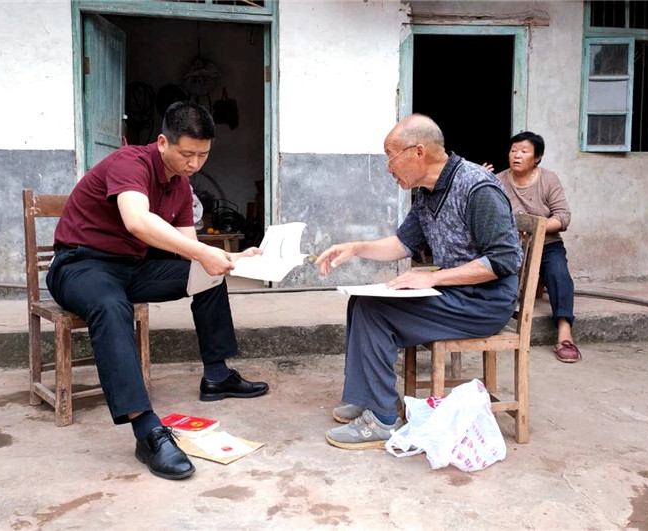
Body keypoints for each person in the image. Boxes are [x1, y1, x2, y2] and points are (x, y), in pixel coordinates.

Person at [46, 101, 269, 480]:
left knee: (207, 276)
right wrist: (203, 251)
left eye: (203, 155)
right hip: (80, 266)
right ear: (163, 142)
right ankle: (147, 430)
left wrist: (233, 260)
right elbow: (136, 221)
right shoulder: (129, 162)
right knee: (109, 303)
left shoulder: (181, 185)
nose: (195, 164)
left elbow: (187, 248)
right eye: (188, 154)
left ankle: (216, 375)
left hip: (132, 269)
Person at [315, 114, 523, 450]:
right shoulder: (427, 193)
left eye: (391, 157)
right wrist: (356, 248)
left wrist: (433, 277)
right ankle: (370, 396)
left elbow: (502, 261)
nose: (388, 168)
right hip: (455, 293)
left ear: (418, 152)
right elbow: (402, 244)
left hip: (485, 301)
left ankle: (382, 418)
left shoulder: (477, 187)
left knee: (374, 311)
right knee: (361, 302)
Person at [483, 131, 581, 363]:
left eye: (524, 151)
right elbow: (483, 213)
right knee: (486, 272)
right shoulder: (498, 179)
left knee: (559, 275)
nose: (516, 155)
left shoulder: (548, 180)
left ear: (537, 157)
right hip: (510, 247)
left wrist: (536, 228)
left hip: (546, 243)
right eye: (513, 150)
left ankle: (565, 331)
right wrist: (479, 181)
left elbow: (563, 217)